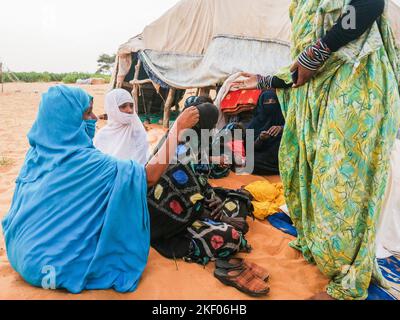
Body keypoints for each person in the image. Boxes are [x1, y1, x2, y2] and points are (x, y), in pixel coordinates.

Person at [232, 0, 400, 300]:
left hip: (356, 87)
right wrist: (263, 81)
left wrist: (319, 50)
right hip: (324, 98)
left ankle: (348, 277)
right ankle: (332, 257)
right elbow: (302, 70)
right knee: (321, 181)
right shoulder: (303, 5)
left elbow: (370, 4)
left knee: (344, 187)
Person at [1, 85, 199, 293]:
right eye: (87, 112)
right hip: (48, 267)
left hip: (19, 252)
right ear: (67, 119)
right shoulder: (88, 162)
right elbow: (148, 177)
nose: (95, 117)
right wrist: (178, 128)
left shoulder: (36, 154)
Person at [94, 89, 150, 165]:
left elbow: (141, 164)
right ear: (112, 109)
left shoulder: (137, 132)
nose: (130, 110)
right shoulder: (101, 136)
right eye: (123, 106)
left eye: (131, 105)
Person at [247, 90, 285, 175]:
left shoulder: (283, 119)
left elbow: (293, 131)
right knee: (249, 161)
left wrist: (282, 128)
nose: (270, 104)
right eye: (266, 102)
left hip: (278, 156)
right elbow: (249, 148)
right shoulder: (253, 123)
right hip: (261, 156)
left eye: (273, 101)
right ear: (261, 104)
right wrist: (260, 139)